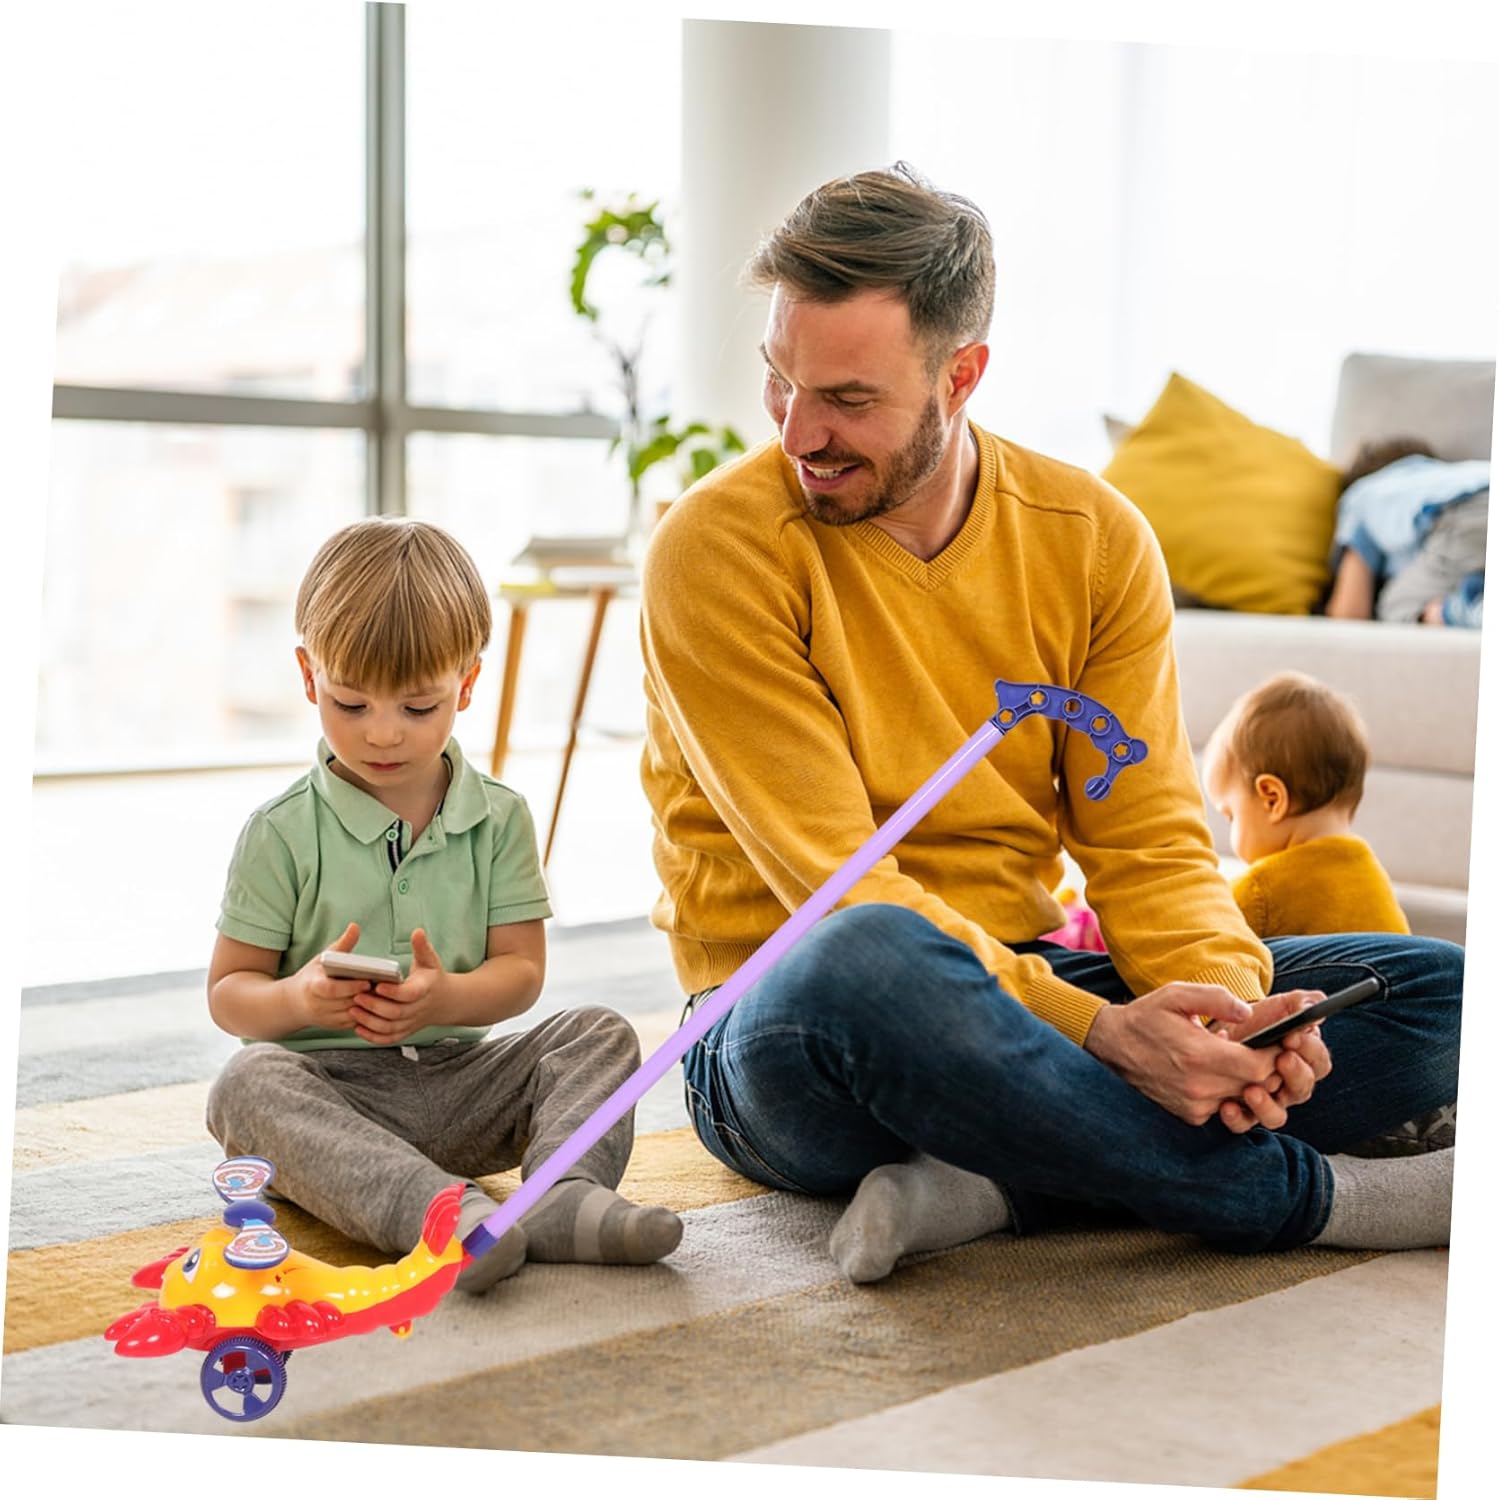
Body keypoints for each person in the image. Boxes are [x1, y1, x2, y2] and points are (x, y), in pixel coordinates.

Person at [639, 163, 1460, 1285]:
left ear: (961, 374)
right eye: (780, 381)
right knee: (866, 957)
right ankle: (1292, 1197)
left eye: (848, 399)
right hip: (795, 1018)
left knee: (1441, 991)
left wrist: (1230, 1013)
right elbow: (838, 886)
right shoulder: (714, 549)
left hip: (1026, 986)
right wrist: (1106, 1035)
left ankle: (998, 1181)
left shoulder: (1093, 538)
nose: (799, 431)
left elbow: (1149, 841)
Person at [206, 518, 681, 1294]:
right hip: (334, 1106)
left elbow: (521, 972)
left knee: (599, 1033)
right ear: (308, 676)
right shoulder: (281, 831)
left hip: (463, 1084)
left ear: (465, 684)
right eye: (350, 703)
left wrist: (446, 999)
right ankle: (443, 1218)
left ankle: (560, 1194)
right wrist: (299, 999)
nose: (382, 734)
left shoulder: (499, 817)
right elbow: (230, 994)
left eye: (418, 708)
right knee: (244, 1085)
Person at [1202, 671, 1409, 939]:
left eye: (1231, 815)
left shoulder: (1259, 891)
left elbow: (1204, 939)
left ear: (1272, 799)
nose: (1230, 829)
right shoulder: (1374, 877)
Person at [1323, 437, 1488, 627]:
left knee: (1397, 606)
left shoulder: (1360, 495)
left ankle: (1467, 611)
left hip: (1463, 515)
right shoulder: (1446, 477)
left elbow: (1350, 614)